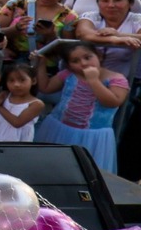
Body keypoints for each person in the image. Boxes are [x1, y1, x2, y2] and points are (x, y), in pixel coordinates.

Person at [36, 42, 128, 174]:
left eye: (87, 57)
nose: (83, 63)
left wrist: (94, 81)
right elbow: (46, 87)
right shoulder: (68, 74)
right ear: (69, 65)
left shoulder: (116, 79)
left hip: (92, 136)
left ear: (99, 56)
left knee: (84, 172)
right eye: (75, 61)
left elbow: (113, 102)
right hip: (59, 129)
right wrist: (41, 64)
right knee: (51, 169)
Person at [0, 62, 44, 143]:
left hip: (15, 138)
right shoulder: (6, 94)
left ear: (33, 81)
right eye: (11, 81)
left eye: (22, 80)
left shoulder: (36, 104)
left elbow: (17, 122)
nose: (16, 84)